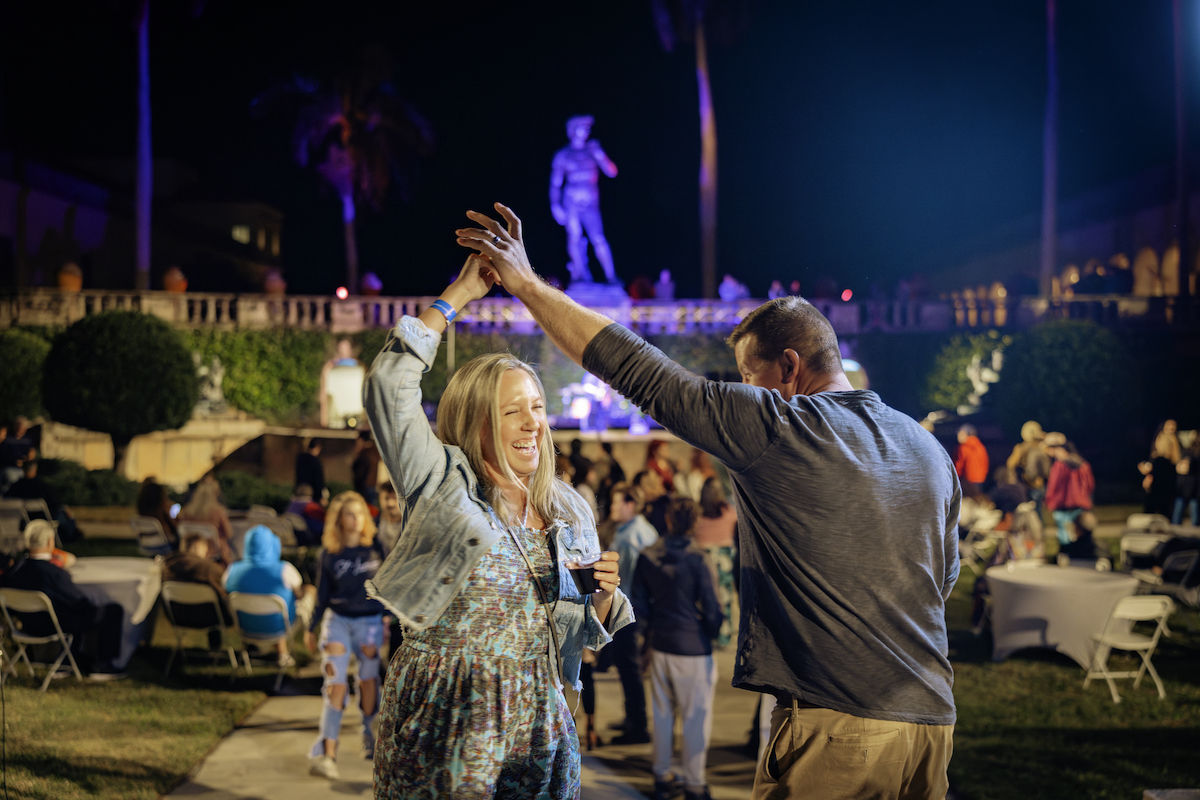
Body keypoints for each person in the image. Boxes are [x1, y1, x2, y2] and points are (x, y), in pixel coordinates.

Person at [457, 204, 958, 799]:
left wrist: (525, 284)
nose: (745, 391)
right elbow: (940, 579)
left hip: (838, 725)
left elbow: (642, 374)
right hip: (931, 722)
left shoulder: (782, 426)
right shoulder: (927, 450)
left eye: (749, 377)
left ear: (789, 367)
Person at [362, 254, 631, 798]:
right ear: (477, 418)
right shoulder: (439, 482)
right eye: (513, 411)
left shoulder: (570, 509)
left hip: (539, 713)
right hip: (449, 709)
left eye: (536, 407)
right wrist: (457, 295)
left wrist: (602, 596)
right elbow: (390, 385)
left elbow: (582, 629)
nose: (533, 423)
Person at [632, 498, 724, 800]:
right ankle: (694, 784)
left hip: (661, 644)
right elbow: (713, 608)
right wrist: (712, 632)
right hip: (694, 647)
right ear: (694, 522)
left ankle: (662, 776)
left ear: (669, 519)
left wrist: (646, 638)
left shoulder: (648, 556)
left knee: (661, 715)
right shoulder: (698, 559)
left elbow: (639, 606)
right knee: (696, 718)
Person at [301, 490, 386, 779]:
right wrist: (310, 627)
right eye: (350, 513)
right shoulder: (328, 553)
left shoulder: (376, 548)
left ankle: (371, 737)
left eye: (360, 513)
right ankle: (327, 754)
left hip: (370, 622)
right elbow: (322, 594)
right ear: (339, 519)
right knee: (335, 685)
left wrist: (389, 618)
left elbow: (387, 586)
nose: (356, 519)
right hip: (337, 620)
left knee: (368, 682)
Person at [0, 521, 124, 678]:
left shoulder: (15, 571)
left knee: (68, 610)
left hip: (26, 626)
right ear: (50, 542)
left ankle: (68, 660)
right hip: (55, 626)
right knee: (112, 611)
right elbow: (80, 602)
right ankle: (103, 666)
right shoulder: (54, 574)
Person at [604, 480, 659, 745]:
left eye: (616, 502)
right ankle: (632, 719)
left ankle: (638, 725)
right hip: (633, 607)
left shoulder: (631, 536)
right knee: (628, 665)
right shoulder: (638, 530)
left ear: (630, 505)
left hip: (629, 609)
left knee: (630, 666)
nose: (612, 507)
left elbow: (630, 579)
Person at [224, 525, 314, 666]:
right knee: (307, 591)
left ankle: (267, 650)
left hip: (246, 628)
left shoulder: (232, 569)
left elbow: (226, 590)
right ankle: (307, 636)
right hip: (279, 628)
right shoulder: (285, 569)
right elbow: (300, 595)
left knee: (267, 604)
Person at [550, 115, 619, 285]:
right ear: (573, 131)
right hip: (571, 202)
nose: (586, 131)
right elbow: (555, 183)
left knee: (598, 238)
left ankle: (611, 276)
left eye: (587, 128)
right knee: (575, 237)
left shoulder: (592, 151)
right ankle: (580, 275)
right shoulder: (563, 155)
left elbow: (612, 172)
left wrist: (600, 154)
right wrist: (555, 205)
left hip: (590, 203)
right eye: (582, 127)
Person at [694, 476, 737, 648]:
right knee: (725, 599)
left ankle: (707, 633)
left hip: (703, 559)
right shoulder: (729, 511)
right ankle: (724, 636)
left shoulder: (698, 512)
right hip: (724, 559)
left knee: (704, 598)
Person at [162, 532, 233, 636]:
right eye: (206, 549)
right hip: (211, 617)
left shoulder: (166, 568)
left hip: (177, 617)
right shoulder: (208, 568)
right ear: (198, 546)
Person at [3, 458, 81, 543]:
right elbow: (55, 502)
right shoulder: (42, 486)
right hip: (44, 517)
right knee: (64, 513)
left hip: (25, 518)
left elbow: (6, 499)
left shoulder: (16, 487)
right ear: (35, 469)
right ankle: (71, 537)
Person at [1045, 438, 1095, 546]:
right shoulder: (1084, 465)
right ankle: (1082, 552)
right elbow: (1090, 485)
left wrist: (1049, 500)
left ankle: (1067, 554)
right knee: (1081, 530)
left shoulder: (1060, 466)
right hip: (1081, 504)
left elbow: (1053, 485)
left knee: (1064, 531)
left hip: (1062, 504)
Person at [178, 475, 235, 566]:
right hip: (212, 552)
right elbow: (228, 533)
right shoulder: (217, 511)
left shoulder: (186, 511)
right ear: (215, 493)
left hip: (190, 550)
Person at [1006, 420, 1051, 514]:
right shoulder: (1043, 447)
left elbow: (1010, 464)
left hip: (1025, 484)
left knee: (1029, 513)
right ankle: (1039, 528)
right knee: (1038, 511)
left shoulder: (1020, 447)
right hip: (1038, 483)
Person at [136, 477, 179, 550]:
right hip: (165, 546)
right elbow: (175, 527)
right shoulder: (161, 514)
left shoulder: (143, 512)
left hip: (146, 545)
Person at [954, 423, 989, 493]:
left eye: (960, 434)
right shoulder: (980, 446)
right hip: (980, 479)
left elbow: (959, 465)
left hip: (968, 480)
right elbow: (985, 463)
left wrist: (955, 477)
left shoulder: (963, 447)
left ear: (967, 434)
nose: (958, 436)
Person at [1173, 437, 1199, 526]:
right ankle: (1175, 529)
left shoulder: (1195, 459)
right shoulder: (1183, 454)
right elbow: (1182, 469)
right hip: (1182, 489)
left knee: (1195, 513)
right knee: (1178, 511)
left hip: (1194, 489)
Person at [295, 439, 326, 503]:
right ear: (318, 447)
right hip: (311, 492)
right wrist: (319, 496)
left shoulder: (300, 459)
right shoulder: (315, 461)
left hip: (300, 488)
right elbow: (318, 479)